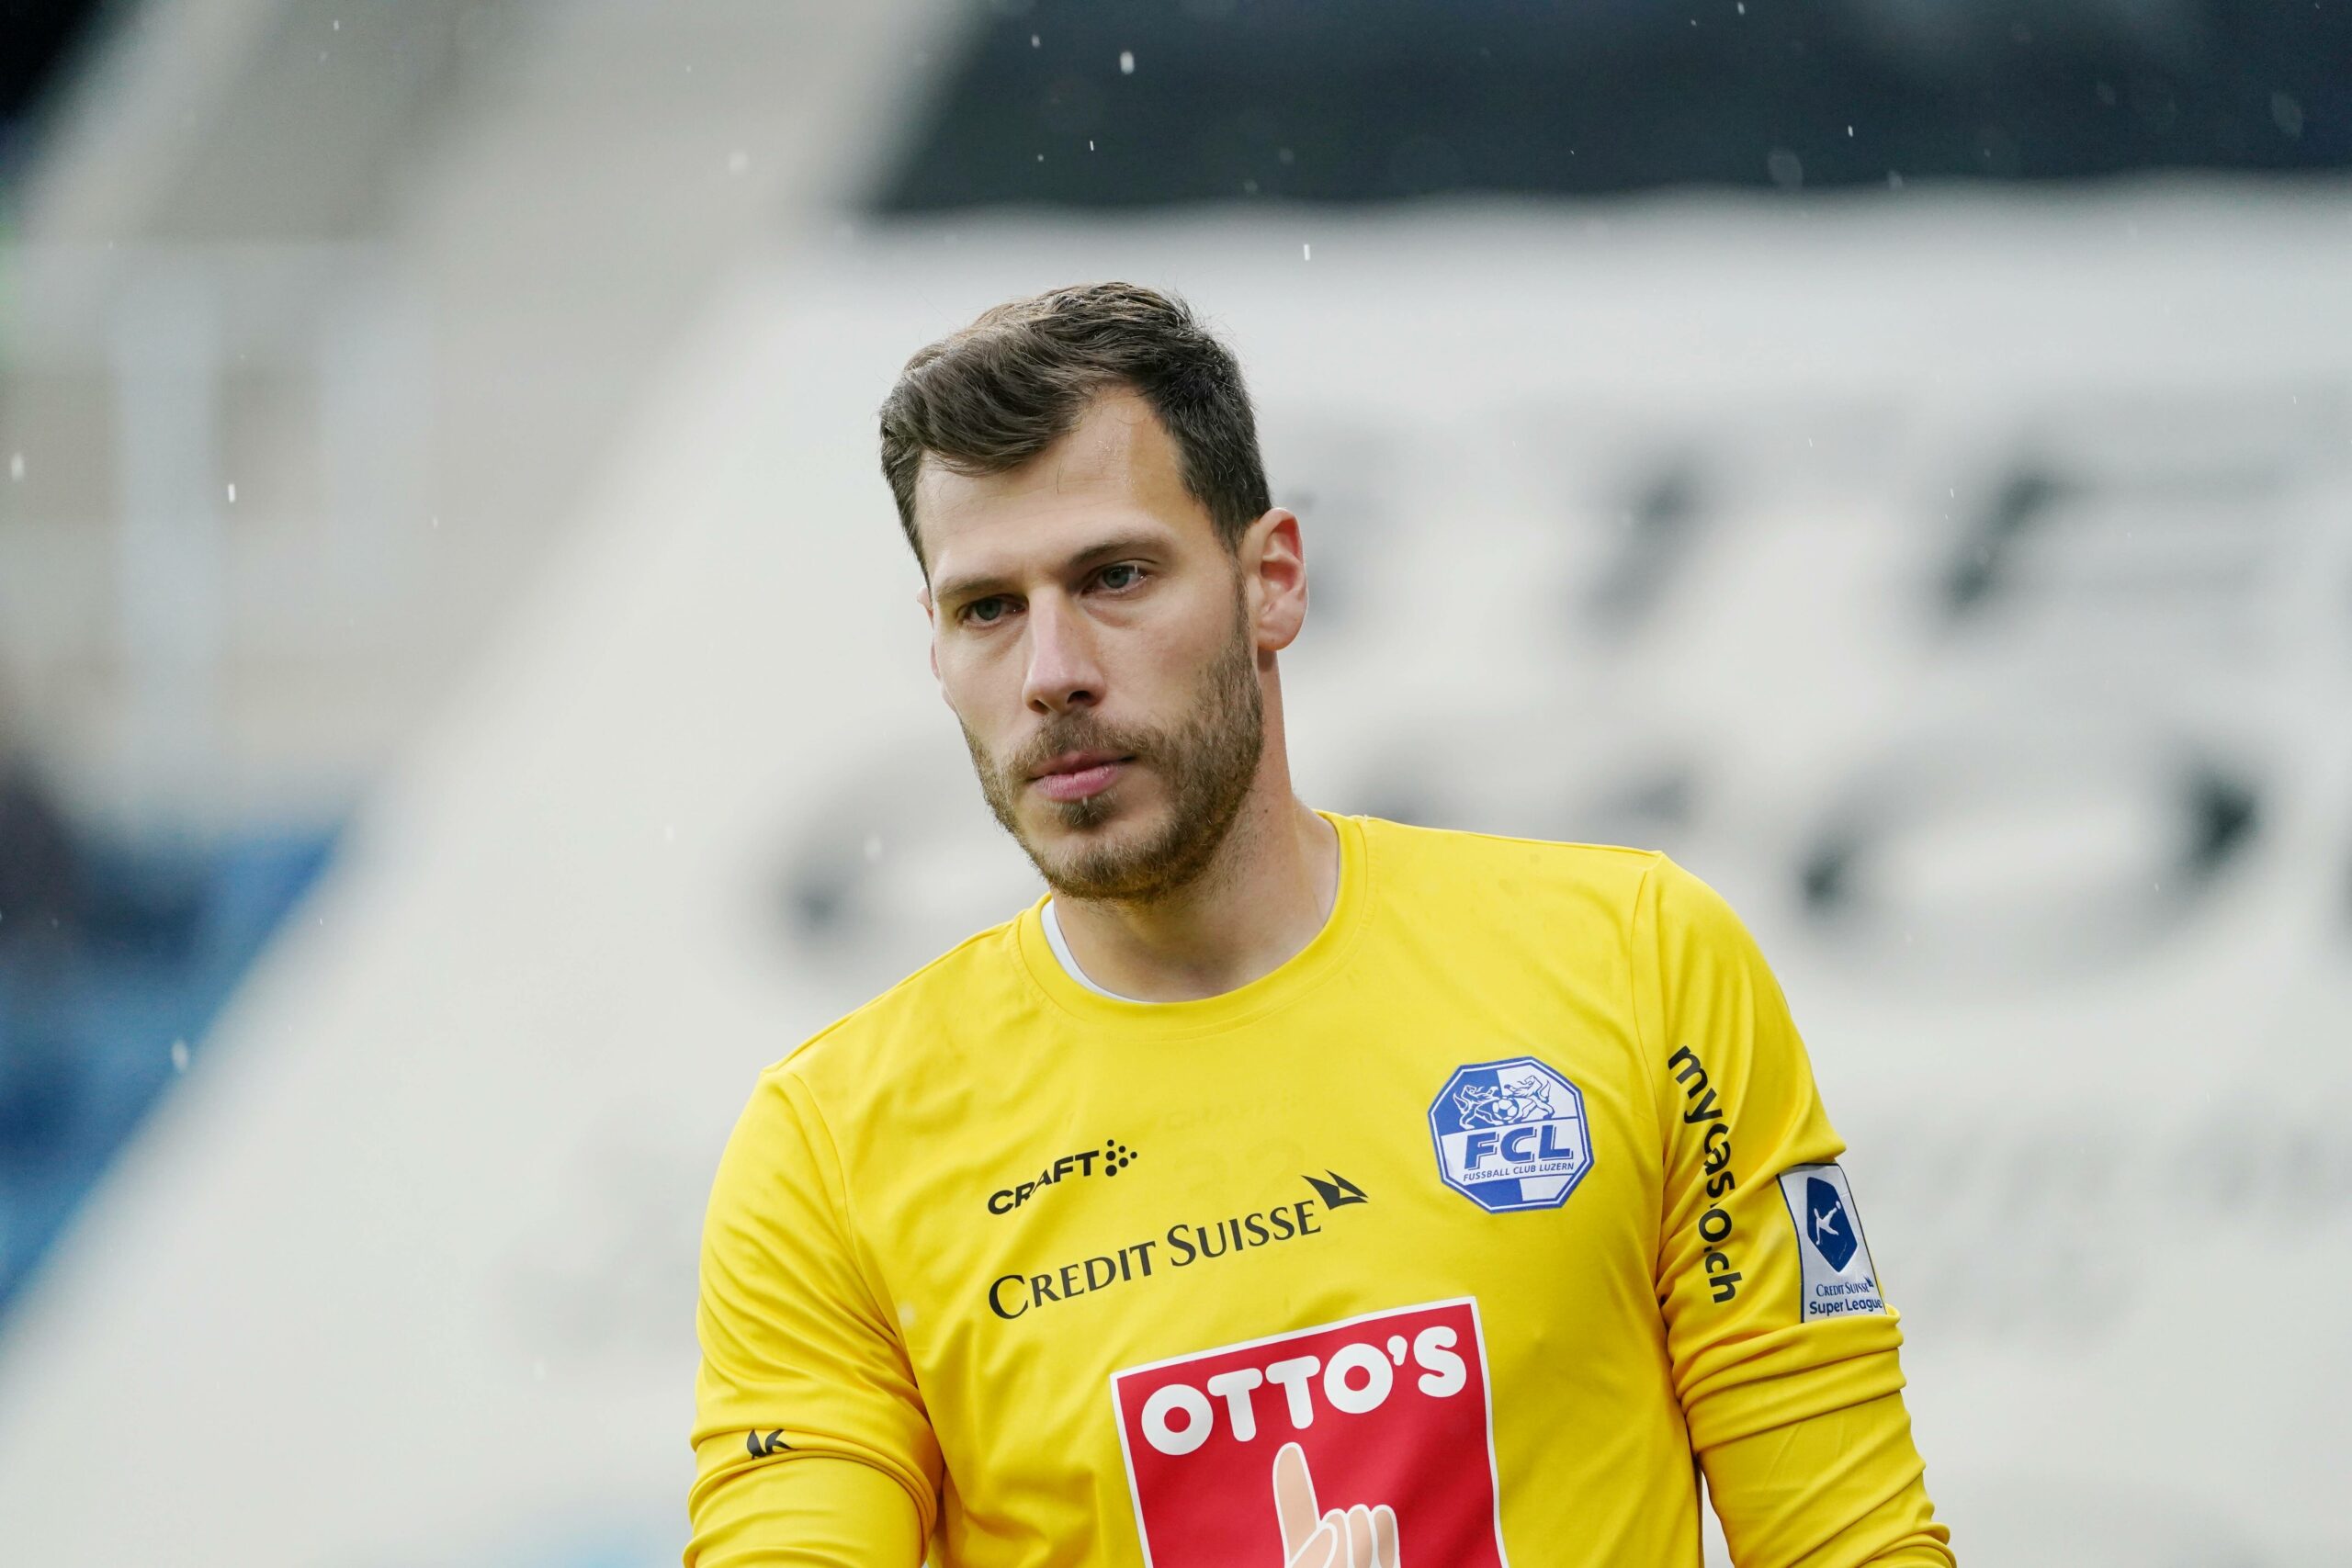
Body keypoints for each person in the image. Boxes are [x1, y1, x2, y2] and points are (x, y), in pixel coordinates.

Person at [685, 282, 1952, 1568]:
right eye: (987, 609)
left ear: (1271, 583)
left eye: (1114, 577)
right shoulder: (832, 1152)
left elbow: (1849, 1543)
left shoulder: (1633, 961)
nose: (1051, 669)